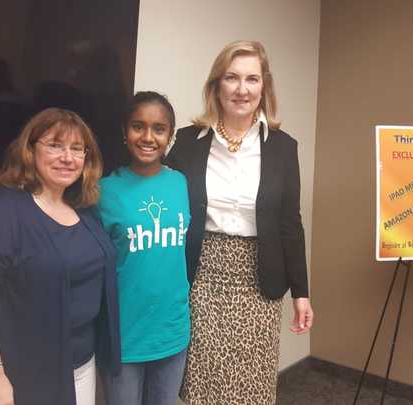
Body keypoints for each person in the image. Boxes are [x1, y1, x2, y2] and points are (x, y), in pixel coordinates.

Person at [166, 40, 314, 405]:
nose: (241, 89)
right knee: (202, 381)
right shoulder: (187, 142)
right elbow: (168, 208)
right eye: (231, 78)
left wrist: (302, 292)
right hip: (202, 275)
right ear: (216, 85)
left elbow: (289, 224)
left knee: (251, 385)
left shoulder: (283, 146)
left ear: (264, 87)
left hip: (259, 279)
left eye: (252, 79)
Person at [0, 108, 120, 405]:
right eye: (55, 145)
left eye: (77, 149)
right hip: (19, 378)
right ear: (30, 151)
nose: (67, 157)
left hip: (79, 367)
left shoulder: (83, 206)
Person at [95, 91, 191, 405]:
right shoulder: (104, 191)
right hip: (124, 336)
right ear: (125, 132)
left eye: (159, 129)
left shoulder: (180, 183)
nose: (148, 137)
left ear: (170, 136)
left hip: (172, 330)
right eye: (138, 126)